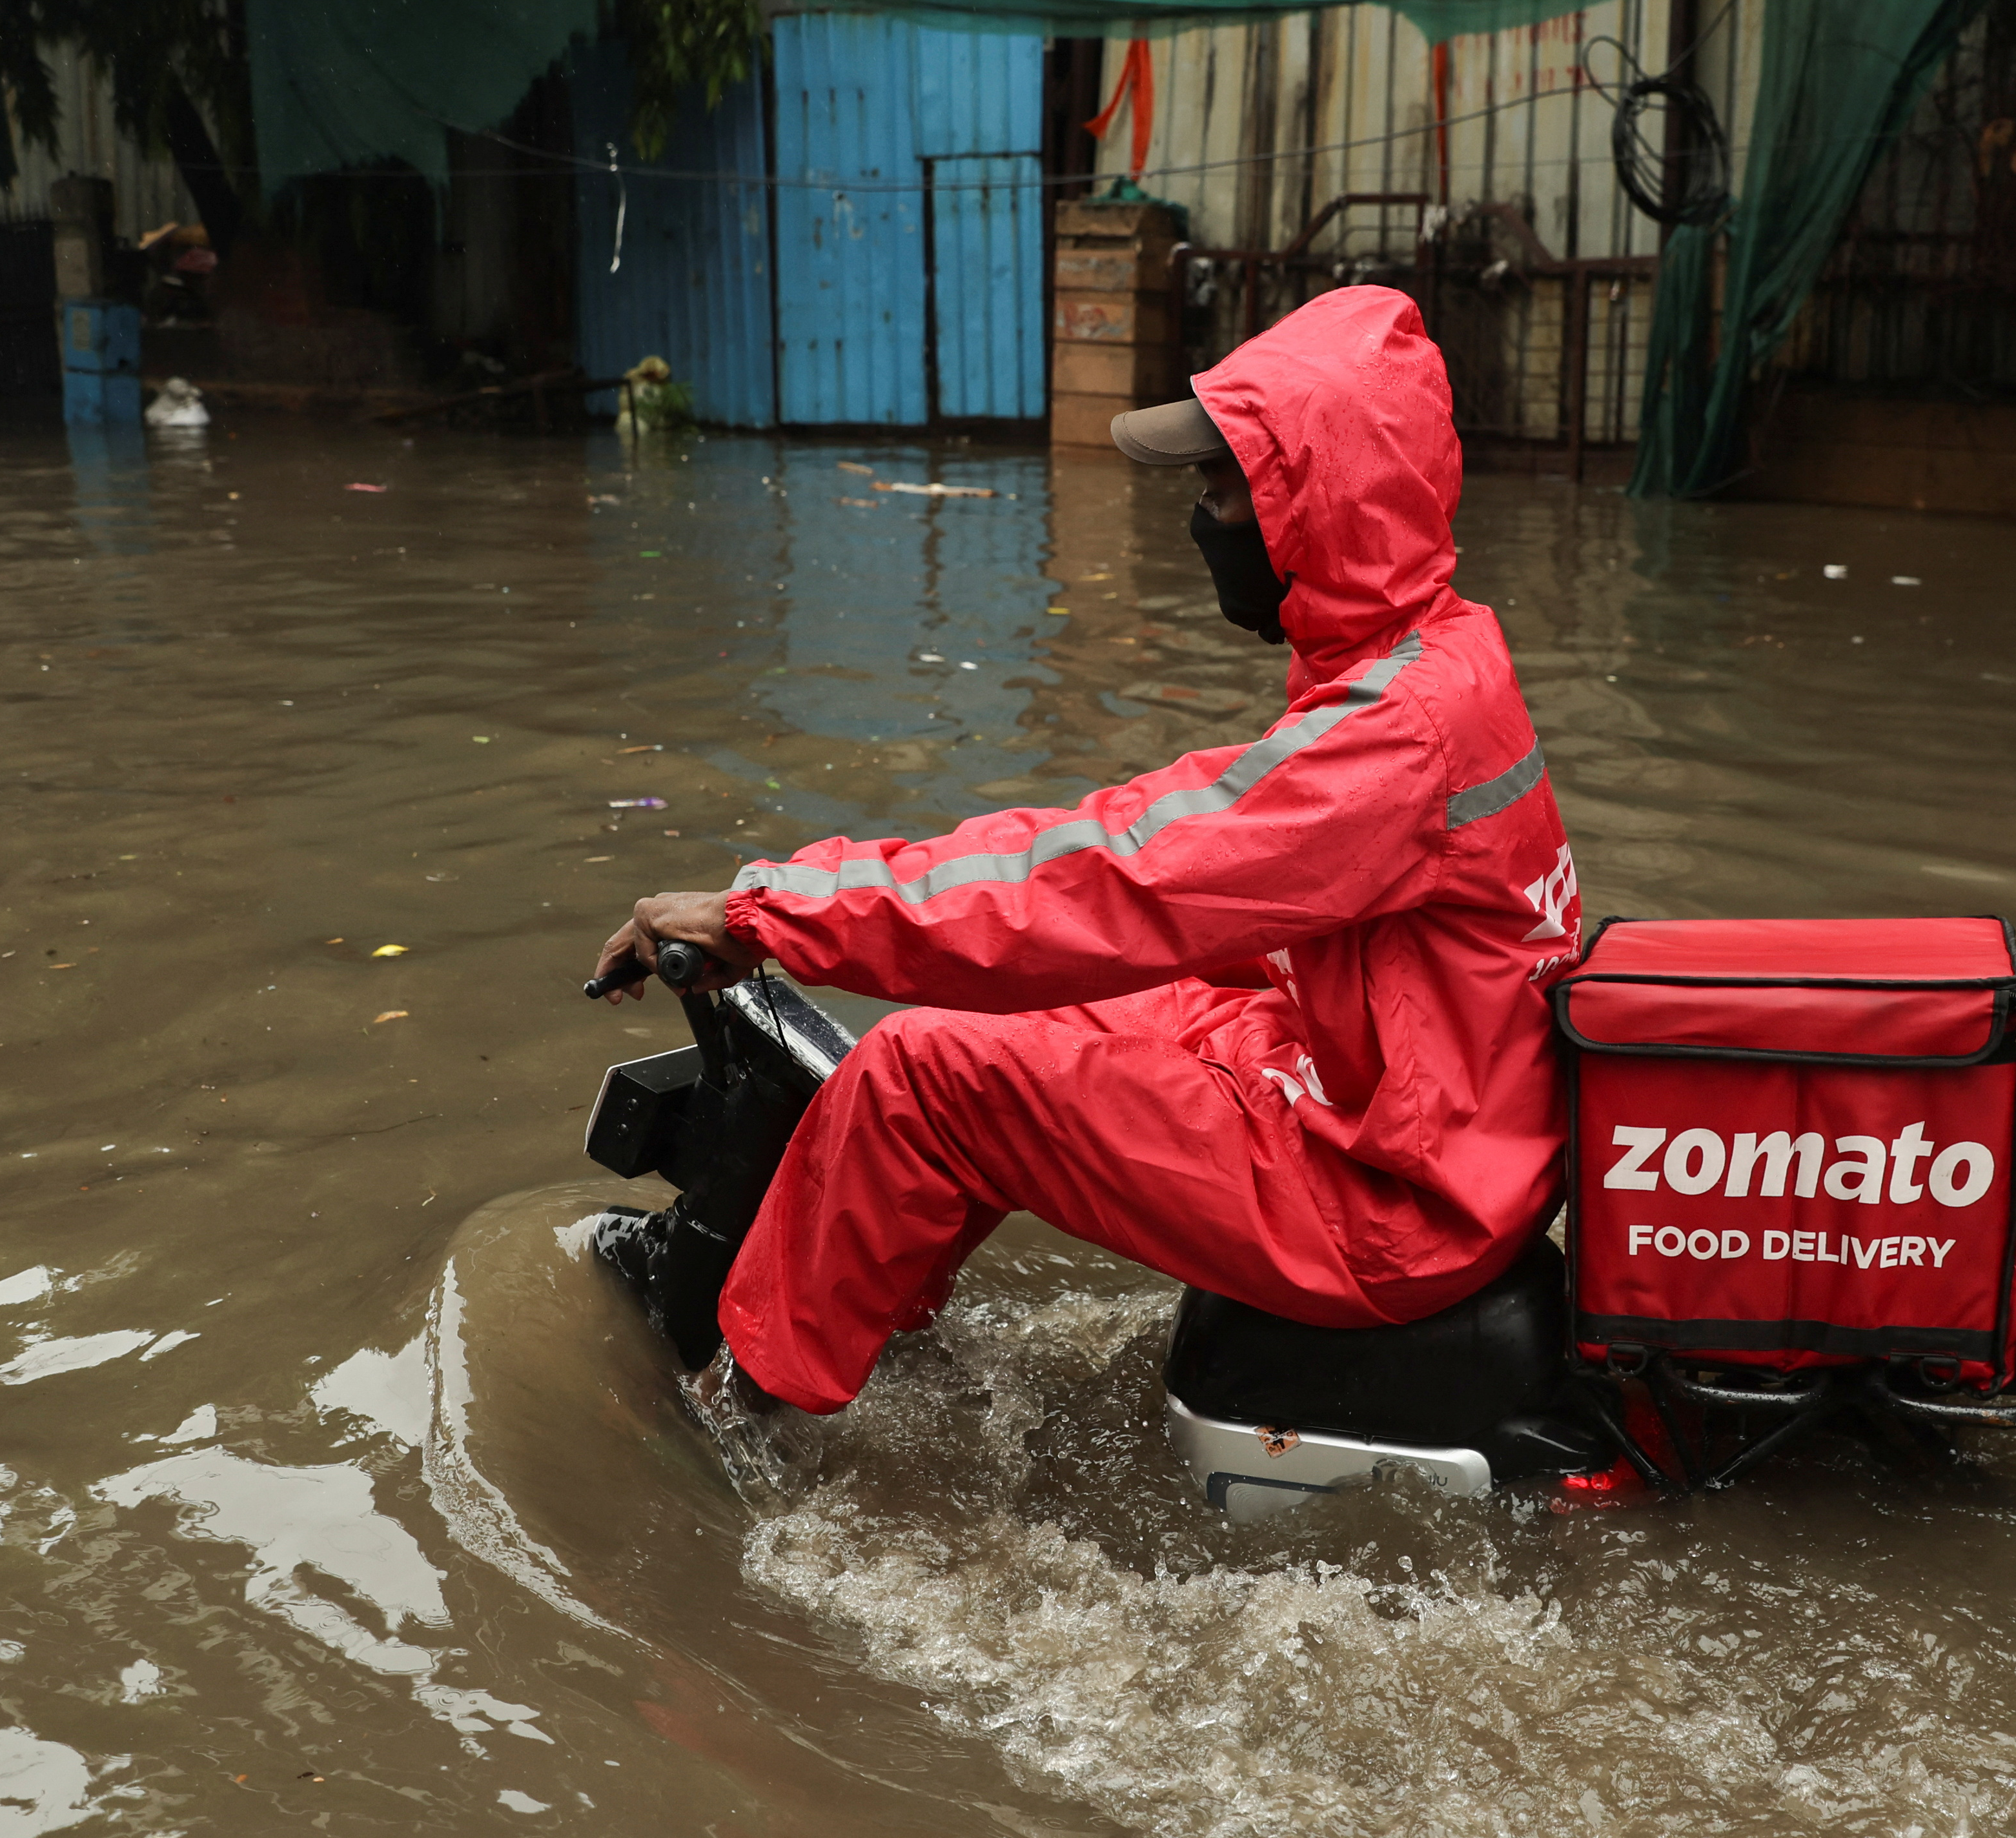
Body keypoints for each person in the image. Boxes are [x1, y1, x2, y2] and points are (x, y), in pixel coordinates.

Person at [588, 285, 1581, 1424]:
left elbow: (1108, 873)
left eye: (1218, 490)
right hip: (1434, 1124)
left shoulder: (1391, 736)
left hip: (1398, 1200)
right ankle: (855, 1312)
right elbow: (1146, 872)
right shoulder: (1437, 656)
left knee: (924, 1075)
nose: (1199, 521)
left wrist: (774, 913)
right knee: (1016, 1018)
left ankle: (739, 1414)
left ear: (1311, 507)